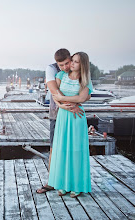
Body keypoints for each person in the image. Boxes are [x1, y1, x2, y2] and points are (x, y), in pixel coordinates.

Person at [36, 48, 87, 194]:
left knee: (73, 149)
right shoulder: (52, 70)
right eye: (61, 65)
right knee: (55, 148)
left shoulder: (78, 73)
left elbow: (86, 94)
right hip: (56, 114)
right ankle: (52, 182)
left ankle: (71, 183)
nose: (65, 67)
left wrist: (79, 101)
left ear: (71, 59)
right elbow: (54, 91)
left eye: (67, 63)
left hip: (73, 114)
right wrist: (63, 105)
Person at [48, 52, 93, 198]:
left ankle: (76, 185)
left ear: (83, 65)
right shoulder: (60, 76)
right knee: (61, 150)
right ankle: (62, 184)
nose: (71, 64)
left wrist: (63, 98)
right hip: (63, 116)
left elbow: (81, 97)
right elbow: (55, 97)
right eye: (72, 61)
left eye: (76, 62)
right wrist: (63, 104)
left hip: (76, 118)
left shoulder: (85, 80)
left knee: (76, 151)